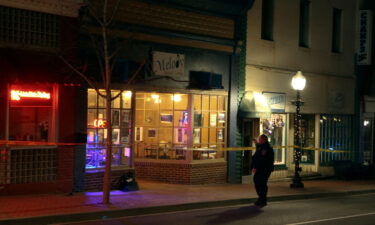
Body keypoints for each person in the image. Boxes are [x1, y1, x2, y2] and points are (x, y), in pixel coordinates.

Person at [251, 134, 274, 207]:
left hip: (264, 169)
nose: (259, 140)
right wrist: (256, 143)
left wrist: (255, 167)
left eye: (260, 139)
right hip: (261, 169)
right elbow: (259, 148)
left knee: (262, 184)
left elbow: (261, 159)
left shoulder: (266, 148)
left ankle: (263, 200)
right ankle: (261, 198)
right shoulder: (262, 146)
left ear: (263, 140)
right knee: (257, 182)